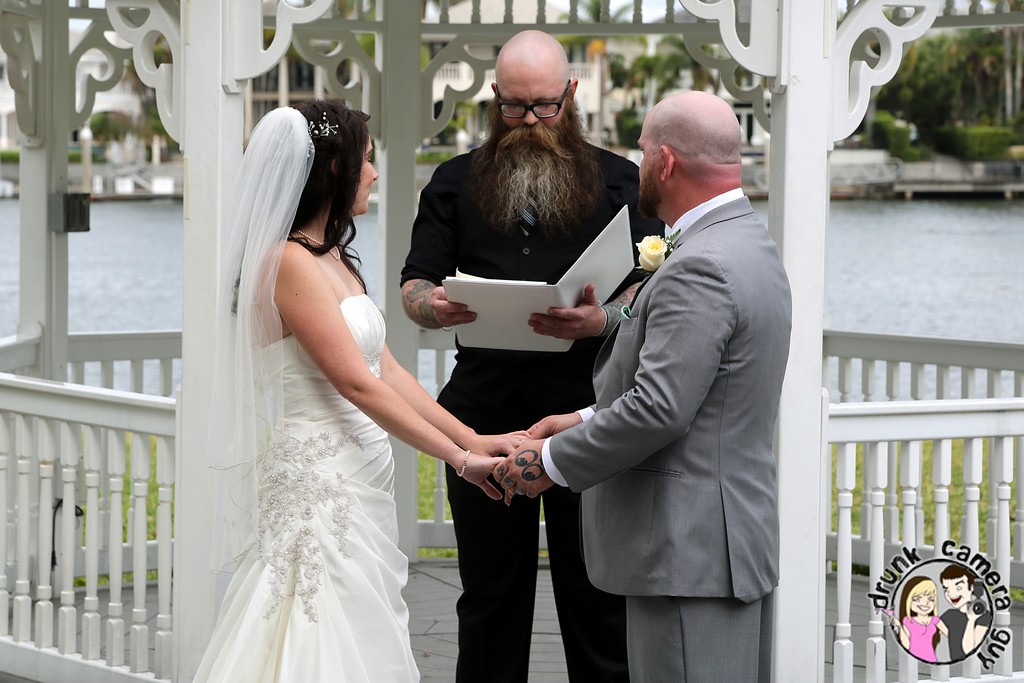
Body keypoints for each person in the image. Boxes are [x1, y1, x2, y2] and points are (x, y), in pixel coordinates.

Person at [195, 100, 523, 682]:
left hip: (363, 479)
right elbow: (355, 383)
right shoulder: (288, 263)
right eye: (367, 160)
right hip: (321, 486)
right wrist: (460, 461)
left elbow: (387, 370)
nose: (373, 173)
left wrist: (473, 437)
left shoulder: (333, 259)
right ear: (334, 169)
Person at [494, 90, 793, 682]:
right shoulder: (748, 243)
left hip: (689, 552)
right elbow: (698, 390)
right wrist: (583, 418)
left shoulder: (700, 266)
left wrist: (548, 461)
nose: (637, 165)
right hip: (724, 543)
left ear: (665, 162)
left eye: (641, 151)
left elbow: (660, 408)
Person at [400, 29, 659, 683]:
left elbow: (655, 289)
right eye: (514, 107)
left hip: (590, 415)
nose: (530, 122)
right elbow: (414, 286)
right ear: (495, 97)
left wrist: (603, 317)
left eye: (545, 105)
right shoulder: (453, 181)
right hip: (482, 416)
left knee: (598, 598)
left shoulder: (621, 180)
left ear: (570, 94)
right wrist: (436, 307)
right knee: (489, 597)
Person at [939, 564, 991, 661]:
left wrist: (971, 620)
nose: (951, 593)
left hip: (973, 665)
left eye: (958, 588)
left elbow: (969, 650)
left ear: (971, 587)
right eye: (947, 589)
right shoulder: (949, 615)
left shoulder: (983, 616)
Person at [891, 576, 947, 663]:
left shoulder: (935, 620)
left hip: (931, 659)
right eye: (917, 599)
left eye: (931, 599)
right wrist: (899, 626)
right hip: (912, 659)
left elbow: (951, 635)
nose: (925, 603)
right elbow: (906, 645)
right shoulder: (908, 621)